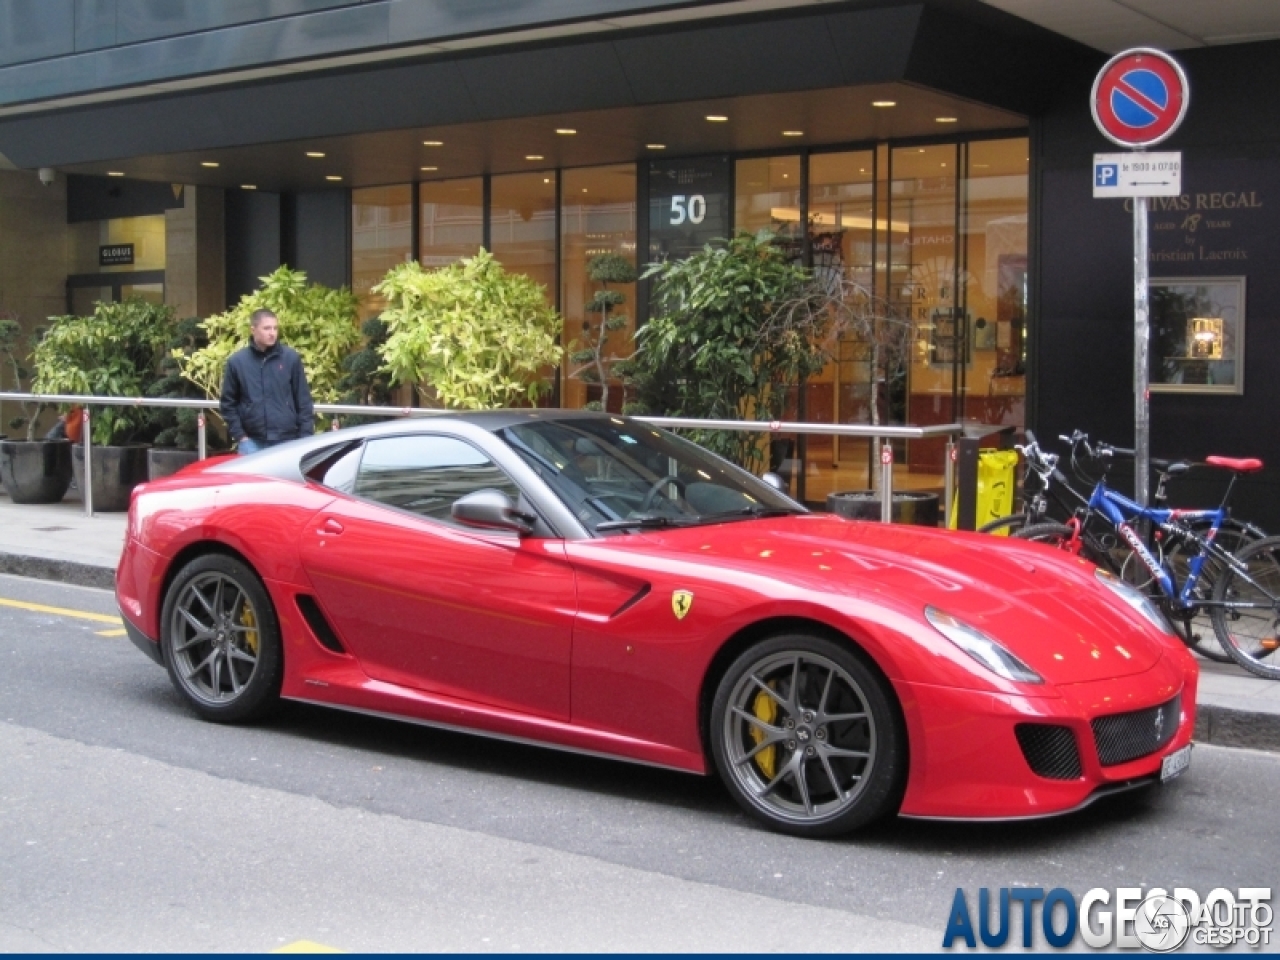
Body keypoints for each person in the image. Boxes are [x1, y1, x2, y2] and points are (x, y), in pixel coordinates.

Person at [219, 309, 314, 454]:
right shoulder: (237, 362)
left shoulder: (290, 358)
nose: (272, 333)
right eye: (267, 328)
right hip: (252, 442)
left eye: (275, 328)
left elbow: (304, 401)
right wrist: (241, 437)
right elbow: (228, 403)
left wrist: (305, 437)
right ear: (253, 330)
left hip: (288, 440)